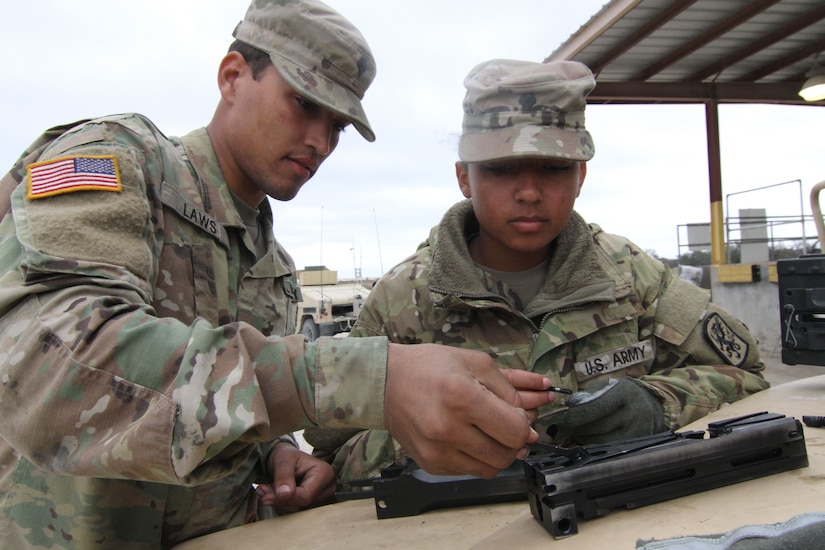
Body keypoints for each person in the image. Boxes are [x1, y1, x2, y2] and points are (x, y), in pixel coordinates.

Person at [0, 5, 554, 547]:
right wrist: (368, 380)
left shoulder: (276, 268)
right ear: (233, 76)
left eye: (336, 124)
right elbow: (50, 369)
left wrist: (277, 453)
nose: (320, 140)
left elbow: (222, 402)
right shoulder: (118, 164)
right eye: (303, 105)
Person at [305, 58, 770, 483]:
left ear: (580, 177)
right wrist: (434, 426)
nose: (529, 191)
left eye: (551, 168)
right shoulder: (401, 303)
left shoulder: (632, 279)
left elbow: (747, 376)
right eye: (503, 169)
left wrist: (657, 403)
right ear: (464, 176)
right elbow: (332, 455)